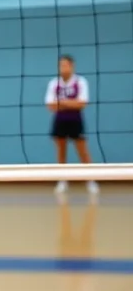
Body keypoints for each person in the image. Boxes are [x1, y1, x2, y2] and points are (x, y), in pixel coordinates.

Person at [45, 54, 98, 198]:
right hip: (59, 121)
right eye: (60, 65)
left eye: (65, 65)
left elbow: (82, 103)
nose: (63, 68)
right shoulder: (53, 83)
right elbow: (50, 105)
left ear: (72, 66)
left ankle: (90, 180)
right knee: (61, 151)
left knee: (83, 151)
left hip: (76, 121)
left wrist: (62, 102)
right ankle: (62, 180)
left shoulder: (80, 82)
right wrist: (71, 103)